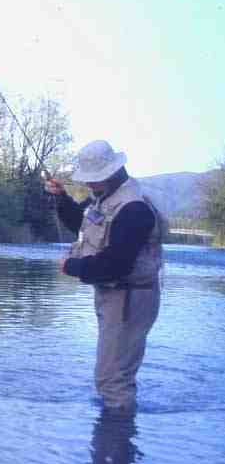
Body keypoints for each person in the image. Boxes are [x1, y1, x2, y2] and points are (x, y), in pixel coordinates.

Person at [44, 139, 164, 414]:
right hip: (115, 295)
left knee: (113, 380)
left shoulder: (134, 209)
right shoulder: (106, 197)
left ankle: (116, 445)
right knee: (110, 375)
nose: (89, 185)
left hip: (130, 298)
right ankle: (112, 441)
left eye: (92, 180)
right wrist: (61, 199)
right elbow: (81, 224)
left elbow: (115, 265)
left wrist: (72, 267)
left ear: (111, 174)